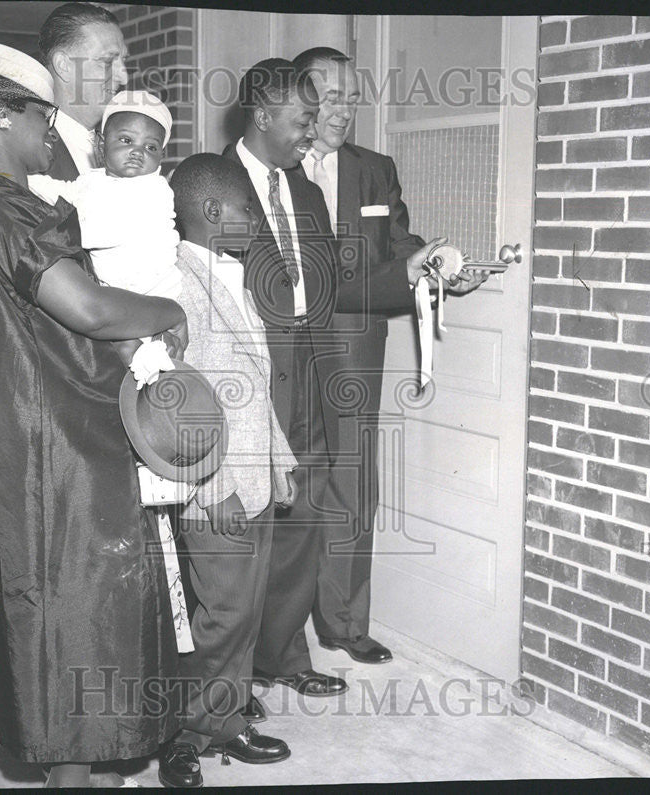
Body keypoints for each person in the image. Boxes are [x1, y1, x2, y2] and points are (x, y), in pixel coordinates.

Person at [0, 43, 187, 789]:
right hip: (50, 447)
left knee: (72, 622)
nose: (53, 134)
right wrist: (168, 307)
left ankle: (81, 771)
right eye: (43, 118)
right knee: (74, 618)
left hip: (48, 428)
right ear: (2, 113)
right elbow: (87, 308)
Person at [221, 59, 438, 713]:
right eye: (317, 106)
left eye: (343, 104)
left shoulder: (339, 182)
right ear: (278, 108)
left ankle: (311, 639)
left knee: (322, 508)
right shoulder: (226, 177)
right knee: (249, 518)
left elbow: (363, 268)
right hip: (262, 372)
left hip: (332, 365)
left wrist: (419, 271)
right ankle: (233, 669)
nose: (329, 119)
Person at [290, 47, 490, 666]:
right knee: (285, 481)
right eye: (329, 95)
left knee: (351, 479)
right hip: (285, 344)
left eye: (352, 96)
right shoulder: (267, 162)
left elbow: (398, 247)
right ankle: (276, 638)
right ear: (298, 98)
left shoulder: (375, 168)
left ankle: (346, 624)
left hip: (354, 340)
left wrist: (439, 271)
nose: (343, 108)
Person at [159, 153, 298, 787]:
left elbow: (254, 384)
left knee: (242, 609)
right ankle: (184, 736)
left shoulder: (230, 275)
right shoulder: (177, 282)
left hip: (255, 477)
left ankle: (227, 715)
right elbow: (176, 395)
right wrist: (212, 485)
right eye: (248, 207)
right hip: (215, 486)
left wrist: (280, 459)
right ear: (213, 211)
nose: (256, 218)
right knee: (218, 614)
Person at [29, 89, 181, 300]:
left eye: (151, 147)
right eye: (127, 140)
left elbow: (108, 229)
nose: (139, 152)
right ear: (101, 145)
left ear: (161, 156)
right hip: (115, 292)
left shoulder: (155, 190)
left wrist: (57, 232)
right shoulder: (93, 180)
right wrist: (26, 180)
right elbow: (63, 191)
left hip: (155, 292)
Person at [38, 1, 129, 179]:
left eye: (124, 60)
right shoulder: (28, 154)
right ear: (63, 66)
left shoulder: (120, 149)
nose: (124, 77)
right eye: (107, 62)